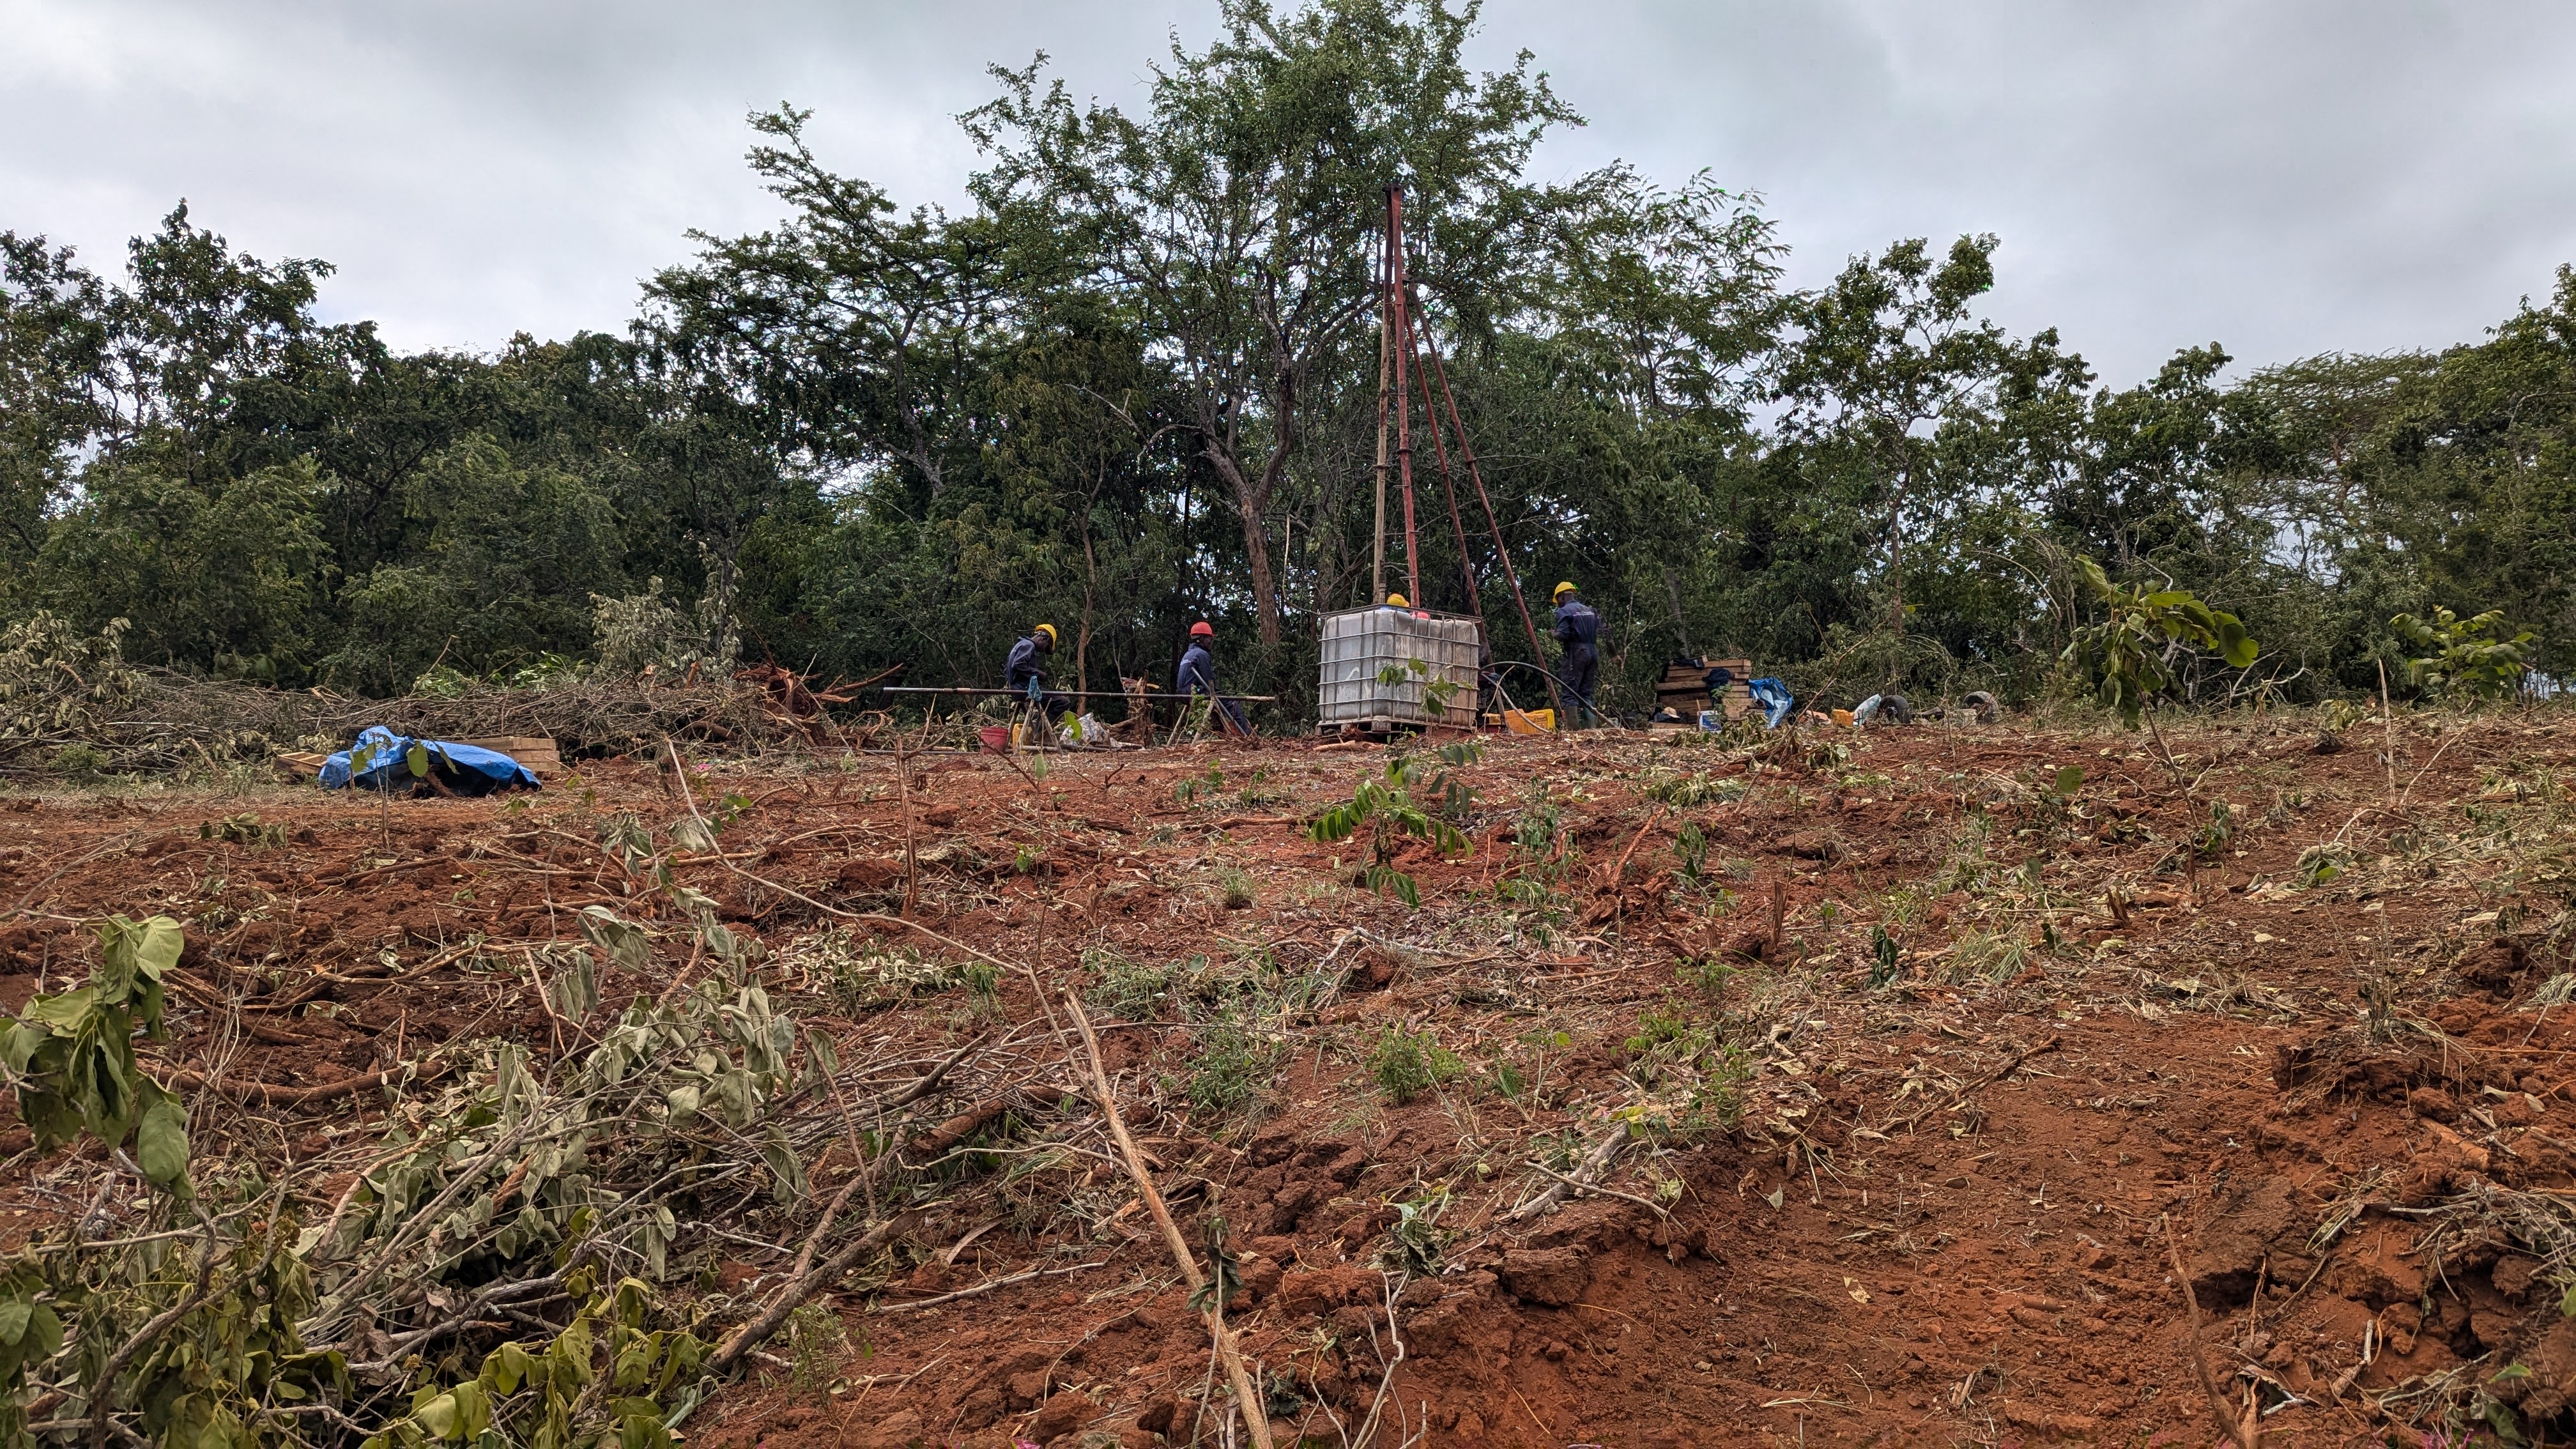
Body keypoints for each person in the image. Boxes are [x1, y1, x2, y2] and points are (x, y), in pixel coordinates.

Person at [1175, 620, 1250, 735]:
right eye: (1210, 638)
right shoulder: (1201, 654)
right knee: (1232, 703)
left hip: (1185, 693)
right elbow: (1209, 681)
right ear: (1202, 639)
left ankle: (1221, 734)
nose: (1211, 642)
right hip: (1195, 692)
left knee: (1221, 700)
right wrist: (1220, 692)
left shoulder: (1188, 654)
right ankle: (1246, 735)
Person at [1551, 581, 1601, 726]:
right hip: (1592, 653)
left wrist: (1553, 634)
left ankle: (1573, 734)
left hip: (1576, 653)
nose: (1558, 605)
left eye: (1558, 601)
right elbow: (1603, 631)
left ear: (1561, 597)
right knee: (1586, 693)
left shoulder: (1565, 611)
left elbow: (1563, 635)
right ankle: (1590, 732)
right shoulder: (1591, 610)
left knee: (1569, 692)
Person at [1005, 623, 1071, 722]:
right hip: (1023, 689)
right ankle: (1040, 733)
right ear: (1044, 639)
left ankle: (1037, 729)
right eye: (1046, 647)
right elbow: (1018, 664)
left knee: (1050, 702)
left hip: (1017, 687)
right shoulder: (1029, 645)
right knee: (1063, 702)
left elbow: (1008, 669)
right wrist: (1039, 673)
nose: (1044, 650)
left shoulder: (1020, 645)